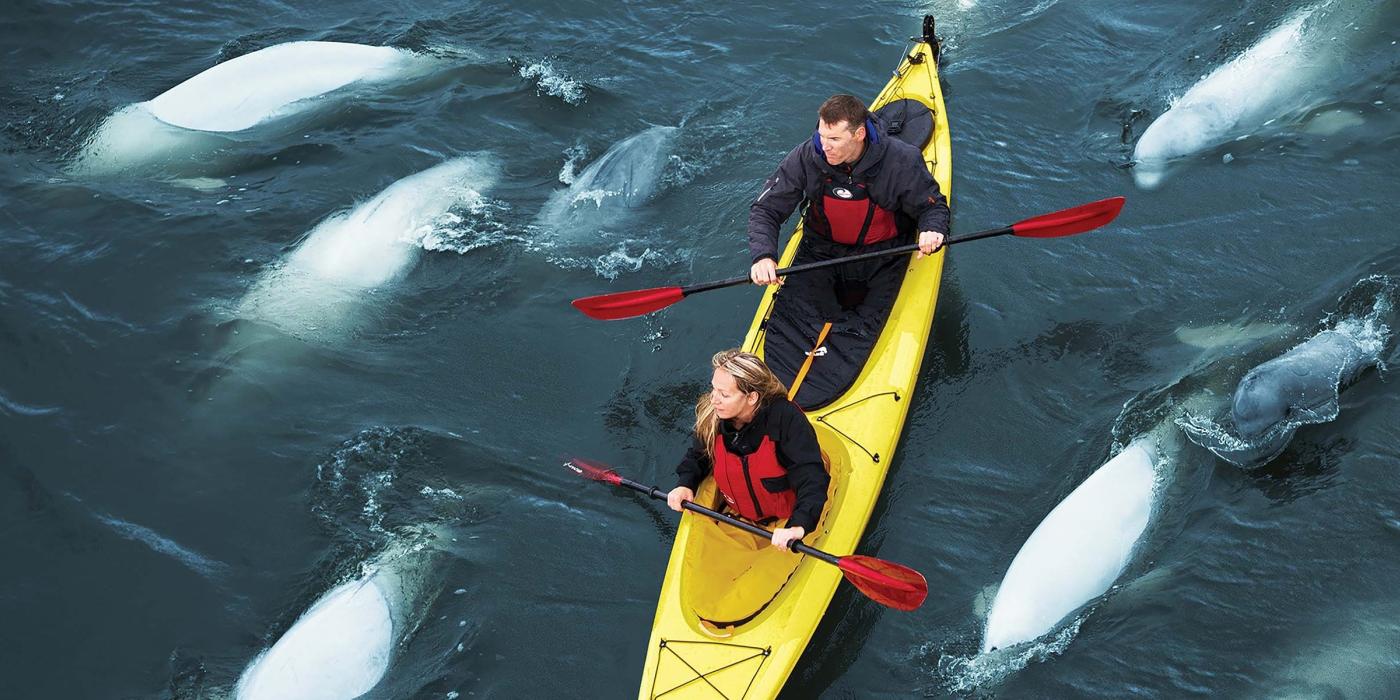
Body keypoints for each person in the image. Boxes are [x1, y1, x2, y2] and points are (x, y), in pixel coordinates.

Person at [747, 93, 950, 288]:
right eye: (822, 136)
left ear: (859, 134)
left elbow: (932, 207)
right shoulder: (805, 156)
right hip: (820, 251)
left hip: (885, 254)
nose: (824, 147)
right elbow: (766, 209)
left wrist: (932, 229)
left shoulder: (902, 159)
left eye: (834, 139)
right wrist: (763, 255)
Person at [666, 349, 829, 551]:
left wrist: (798, 526)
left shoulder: (786, 420)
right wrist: (685, 483)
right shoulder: (712, 416)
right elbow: (699, 455)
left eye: (724, 394)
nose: (714, 399)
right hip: (740, 517)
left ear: (751, 397)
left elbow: (811, 476)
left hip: (789, 520)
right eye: (713, 389)